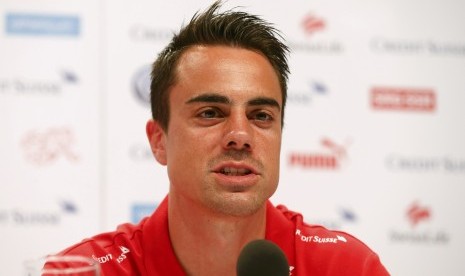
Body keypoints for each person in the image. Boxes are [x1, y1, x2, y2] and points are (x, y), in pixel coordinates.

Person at [55, 1, 389, 275]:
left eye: (261, 116)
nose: (240, 136)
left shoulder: (347, 268)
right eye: (211, 113)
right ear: (159, 140)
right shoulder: (86, 272)